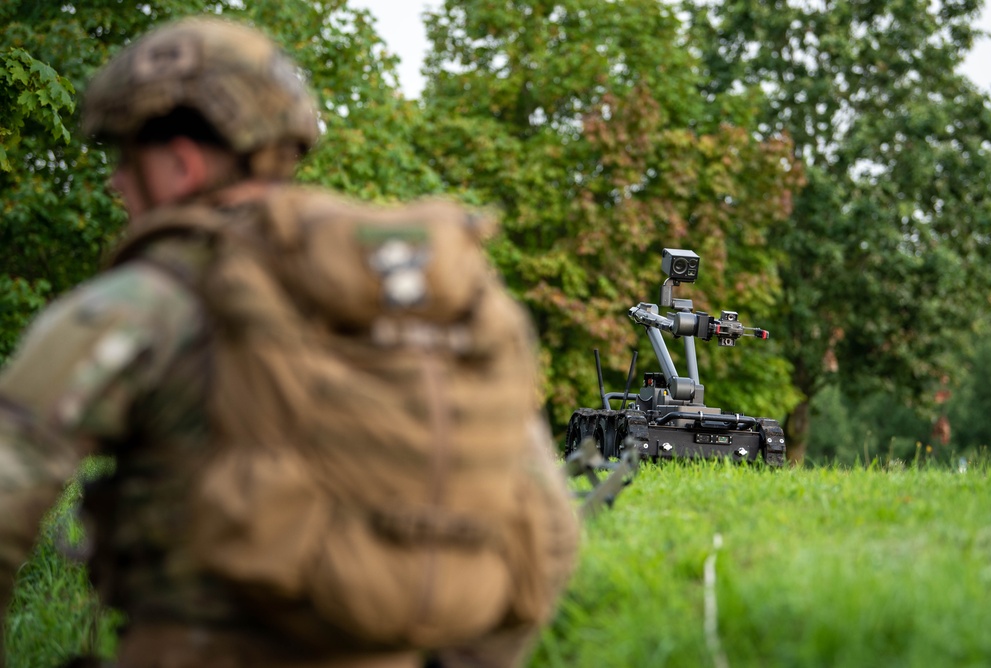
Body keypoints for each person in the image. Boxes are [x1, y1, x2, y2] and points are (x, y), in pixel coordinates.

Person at [0, 16, 578, 668]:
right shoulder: (420, 297)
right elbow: (548, 530)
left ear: (180, 164)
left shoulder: (148, 302)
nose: (117, 184)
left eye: (125, 161)